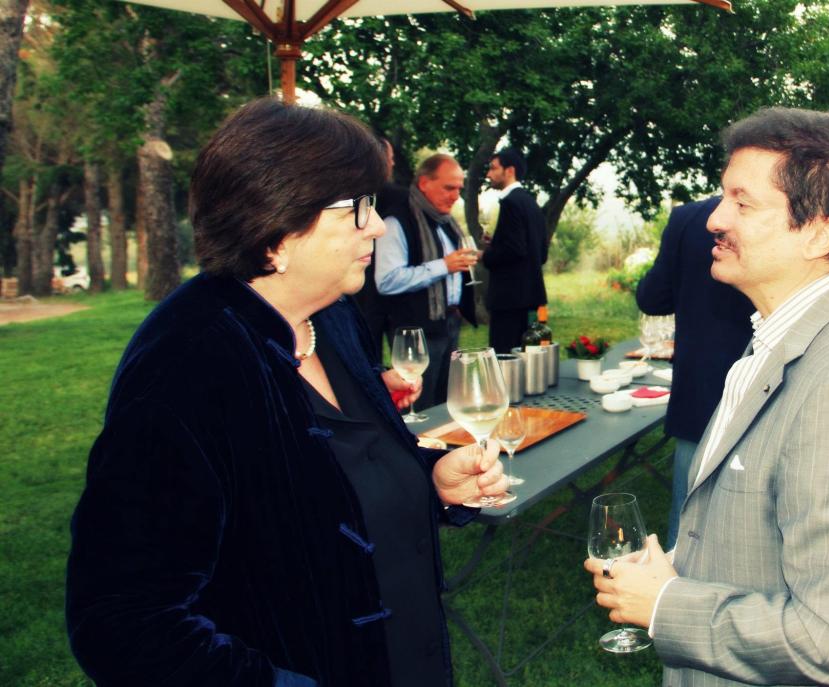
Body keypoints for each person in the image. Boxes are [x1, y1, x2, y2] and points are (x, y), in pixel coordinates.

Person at [65, 99, 506, 687]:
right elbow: (123, 622)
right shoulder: (186, 364)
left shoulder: (332, 317)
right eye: (358, 208)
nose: (378, 226)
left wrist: (431, 481)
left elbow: (325, 489)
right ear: (276, 228)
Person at [585, 107, 829, 687]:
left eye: (742, 204)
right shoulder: (780, 334)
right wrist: (676, 565)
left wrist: (667, 604)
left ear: (820, 233)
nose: (714, 219)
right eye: (723, 195)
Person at [635, 197, 754, 549]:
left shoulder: (688, 218)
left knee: (688, 524)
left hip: (700, 389)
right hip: (762, 382)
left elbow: (652, 298)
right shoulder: (790, 210)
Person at [376, 153, 478, 409]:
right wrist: (444, 266)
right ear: (424, 183)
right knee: (420, 405)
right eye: (449, 188)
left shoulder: (445, 221)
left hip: (450, 323)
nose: (456, 196)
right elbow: (386, 280)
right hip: (415, 331)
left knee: (447, 402)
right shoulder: (397, 221)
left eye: (459, 189)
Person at [480, 148, 549, 353]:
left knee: (506, 359)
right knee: (530, 359)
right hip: (531, 295)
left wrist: (485, 255)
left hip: (509, 298)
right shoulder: (531, 203)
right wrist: (496, 243)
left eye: (493, 168)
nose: (488, 174)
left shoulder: (510, 202)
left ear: (509, 171)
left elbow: (514, 250)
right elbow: (540, 252)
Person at [354, 137, 408, 353]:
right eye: (390, 158)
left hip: (392, 300)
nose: (393, 163)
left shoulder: (399, 196)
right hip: (362, 296)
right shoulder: (400, 197)